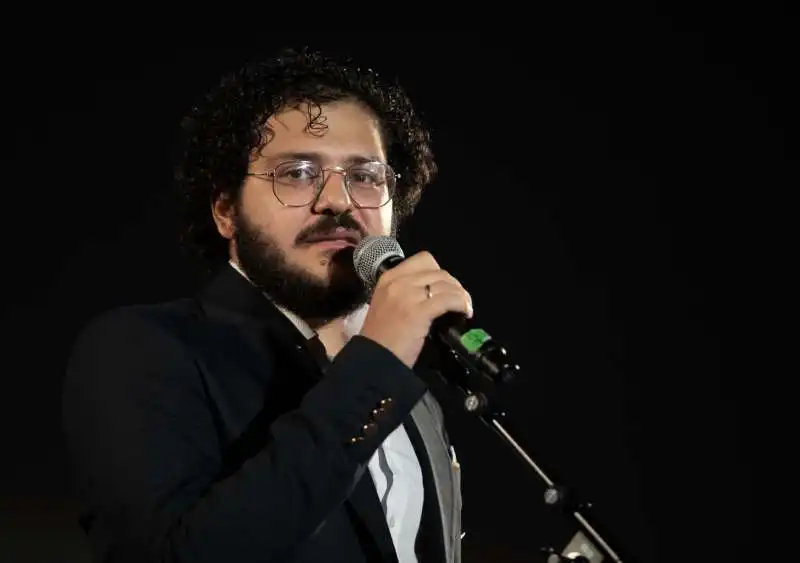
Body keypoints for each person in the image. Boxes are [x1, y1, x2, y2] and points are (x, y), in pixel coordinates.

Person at [62, 47, 472, 563]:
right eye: (297, 173)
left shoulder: (416, 401)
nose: (339, 200)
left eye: (365, 175)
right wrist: (378, 366)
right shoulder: (142, 350)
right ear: (225, 212)